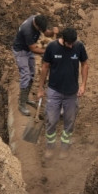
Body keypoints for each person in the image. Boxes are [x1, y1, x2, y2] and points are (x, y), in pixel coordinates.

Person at [36, 27, 89, 159]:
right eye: (69, 43)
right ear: (63, 39)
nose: (71, 46)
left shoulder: (79, 46)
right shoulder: (52, 47)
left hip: (72, 93)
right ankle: (50, 147)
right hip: (54, 91)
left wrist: (83, 85)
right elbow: (45, 67)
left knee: (69, 121)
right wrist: (40, 88)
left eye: (73, 43)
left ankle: (64, 148)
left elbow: (85, 64)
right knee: (51, 120)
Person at [12, 14, 57, 115]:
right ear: (35, 25)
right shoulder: (27, 30)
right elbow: (34, 49)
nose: (41, 30)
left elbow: (46, 33)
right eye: (40, 29)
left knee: (32, 74)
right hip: (21, 51)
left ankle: (26, 98)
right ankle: (21, 104)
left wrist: (52, 32)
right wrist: (47, 52)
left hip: (28, 50)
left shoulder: (39, 20)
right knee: (25, 76)